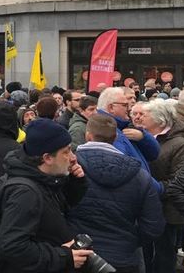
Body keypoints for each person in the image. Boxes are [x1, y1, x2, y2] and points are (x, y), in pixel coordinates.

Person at [66, 114, 164, 273]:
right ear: (115, 137)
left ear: (88, 135)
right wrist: (129, 241)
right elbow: (153, 226)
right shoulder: (139, 175)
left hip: (78, 253)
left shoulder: (70, 166)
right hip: (123, 256)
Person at [0, 118, 92, 272]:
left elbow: (55, 211)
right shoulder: (25, 193)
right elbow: (12, 246)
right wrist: (63, 256)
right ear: (47, 158)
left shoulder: (45, 178)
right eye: (66, 152)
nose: (73, 158)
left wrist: (76, 183)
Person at [139, 99, 184, 272]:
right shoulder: (142, 137)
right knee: (146, 254)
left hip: (168, 211)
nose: (139, 118)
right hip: (146, 208)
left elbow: (179, 181)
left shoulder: (179, 144)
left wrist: (149, 187)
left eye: (144, 115)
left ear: (159, 120)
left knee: (164, 256)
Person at [96, 87, 161, 192]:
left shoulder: (124, 126)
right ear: (111, 107)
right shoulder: (108, 131)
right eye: (125, 105)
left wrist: (143, 137)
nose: (130, 108)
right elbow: (129, 170)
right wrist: (158, 189)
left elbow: (154, 153)